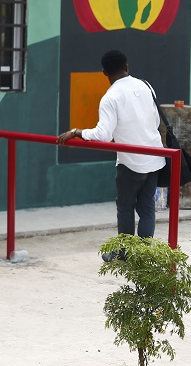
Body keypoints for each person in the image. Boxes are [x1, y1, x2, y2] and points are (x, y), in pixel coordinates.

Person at [58, 50, 165, 260]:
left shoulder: (110, 98)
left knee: (125, 209)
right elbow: (156, 122)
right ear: (127, 67)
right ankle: (142, 255)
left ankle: (124, 253)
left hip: (130, 163)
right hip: (154, 158)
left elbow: (102, 135)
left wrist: (76, 132)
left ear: (104, 72)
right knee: (147, 208)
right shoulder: (146, 86)